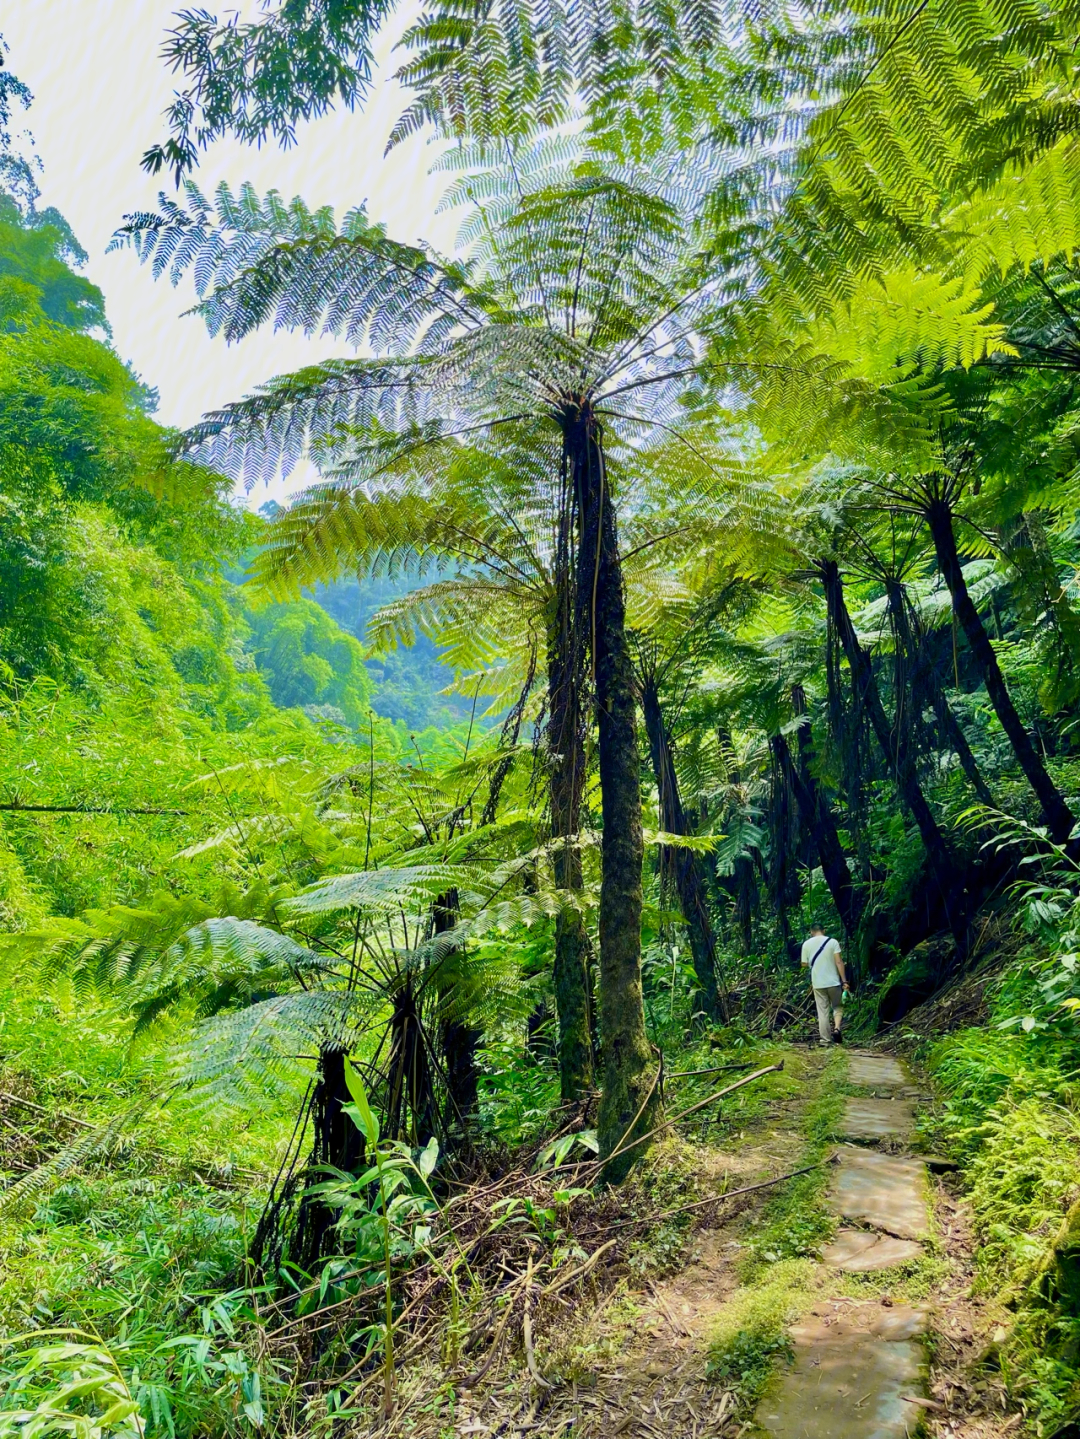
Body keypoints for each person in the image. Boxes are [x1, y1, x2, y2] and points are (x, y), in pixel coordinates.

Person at [801, 923, 849, 1047]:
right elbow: (838, 961)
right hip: (833, 982)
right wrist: (844, 981)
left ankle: (825, 1041)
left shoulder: (806, 944)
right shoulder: (833, 942)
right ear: (824, 930)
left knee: (822, 1011)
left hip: (818, 983)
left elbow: (804, 964)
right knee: (837, 1006)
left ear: (811, 932)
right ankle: (837, 1028)